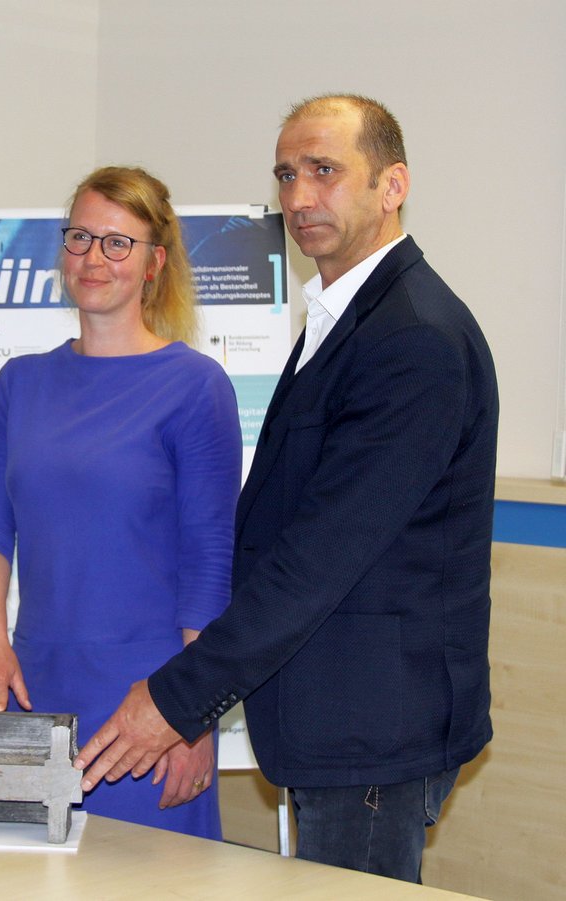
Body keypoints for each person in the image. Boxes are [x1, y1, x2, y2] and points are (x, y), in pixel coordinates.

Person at [73, 95, 498, 883]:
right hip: (336, 723)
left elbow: (317, 560)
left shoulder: (414, 339)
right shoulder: (347, 316)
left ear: (393, 184)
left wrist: (176, 699)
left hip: (372, 732)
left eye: (325, 171)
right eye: (286, 175)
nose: (299, 197)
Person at [0, 166, 242, 836]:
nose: (93, 258)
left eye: (118, 243)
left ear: (154, 263)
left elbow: (209, 566)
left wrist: (193, 716)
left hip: (151, 703)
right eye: (80, 237)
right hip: (33, 691)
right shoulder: (19, 383)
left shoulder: (195, 387)